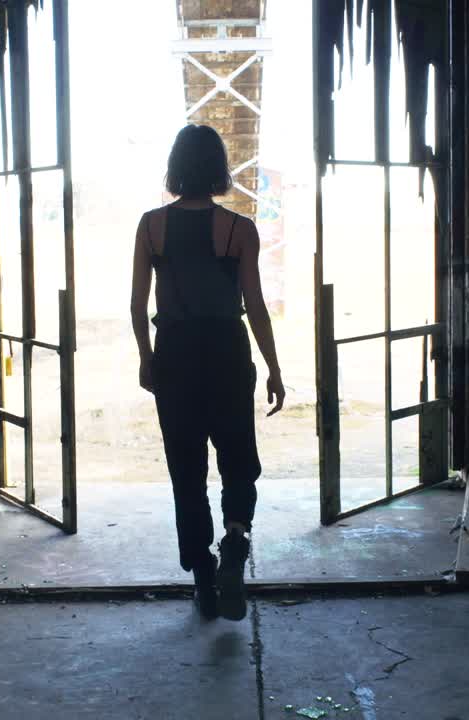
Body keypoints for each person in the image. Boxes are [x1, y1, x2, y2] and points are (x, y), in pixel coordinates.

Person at [130, 124, 286, 621]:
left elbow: (137, 306)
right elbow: (256, 306)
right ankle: (236, 540)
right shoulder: (240, 229)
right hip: (226, 352)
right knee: (239, 456)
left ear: (175, 168)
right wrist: (273, 368)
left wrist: (146, 357)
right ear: (219, 169)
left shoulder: (151, 226)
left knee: (187, 469)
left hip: (175, 354)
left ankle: (203, 578)